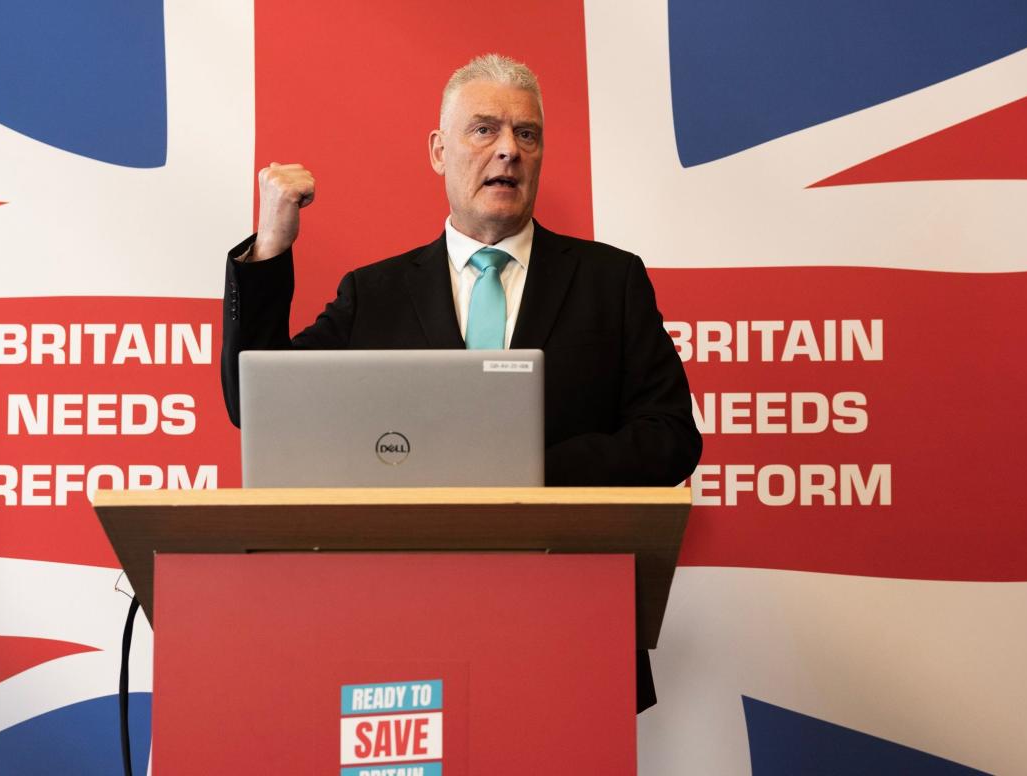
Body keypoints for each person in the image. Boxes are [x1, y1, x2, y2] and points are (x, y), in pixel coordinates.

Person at [220, 54, 701, 712]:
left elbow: (669, 437)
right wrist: (272, 243)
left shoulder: (608, 282)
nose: (508, 150)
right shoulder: (375, 294)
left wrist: (522, 469)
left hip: (568, 620)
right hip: (399, 622)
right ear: (437, 151)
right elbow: (259, 403)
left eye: (525, 134)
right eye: (483, 130)